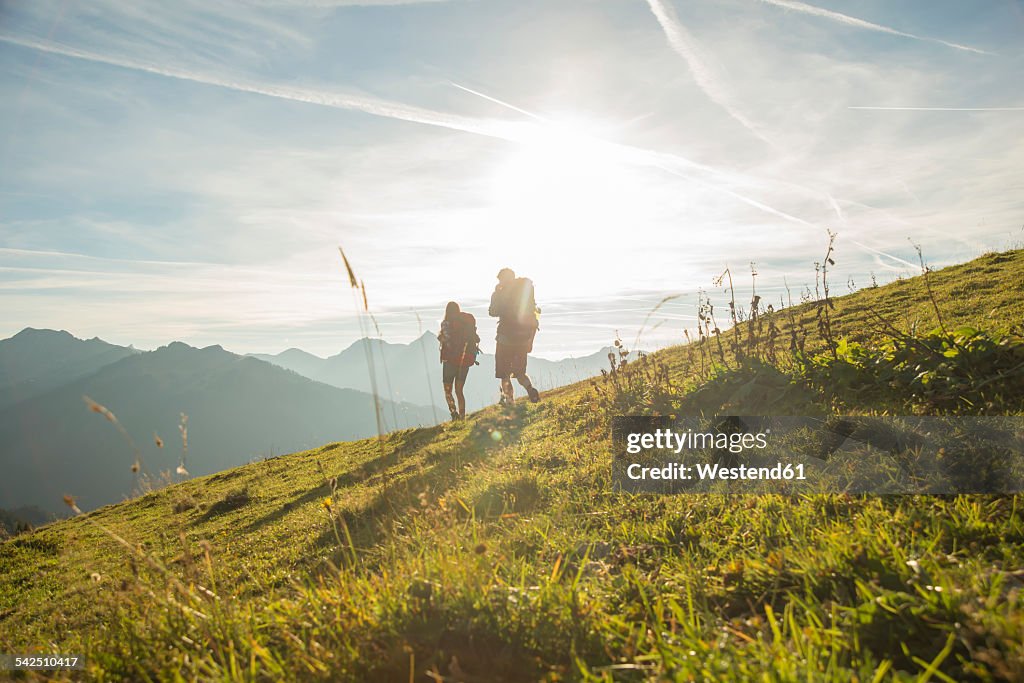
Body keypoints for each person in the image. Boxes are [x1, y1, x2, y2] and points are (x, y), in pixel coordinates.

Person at [488, 267, 540, 405]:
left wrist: (496, 293)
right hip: (522, 339)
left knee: (504, 374)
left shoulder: (500, 293)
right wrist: (530, 341)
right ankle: (530, 389)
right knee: (520, 373)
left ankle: (510, 401)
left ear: (502, 279)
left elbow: (492, 312)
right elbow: (532, 317)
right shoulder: (523, 292)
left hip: (504, 339)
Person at [439, 301, 479, 420]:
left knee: (448, 391)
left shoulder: (446, 323)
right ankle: (462, 417)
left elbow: (446, 340)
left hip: (450, 361)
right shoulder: (465, 323)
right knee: (459, 391)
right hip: (464, 360)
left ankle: (454, 414)